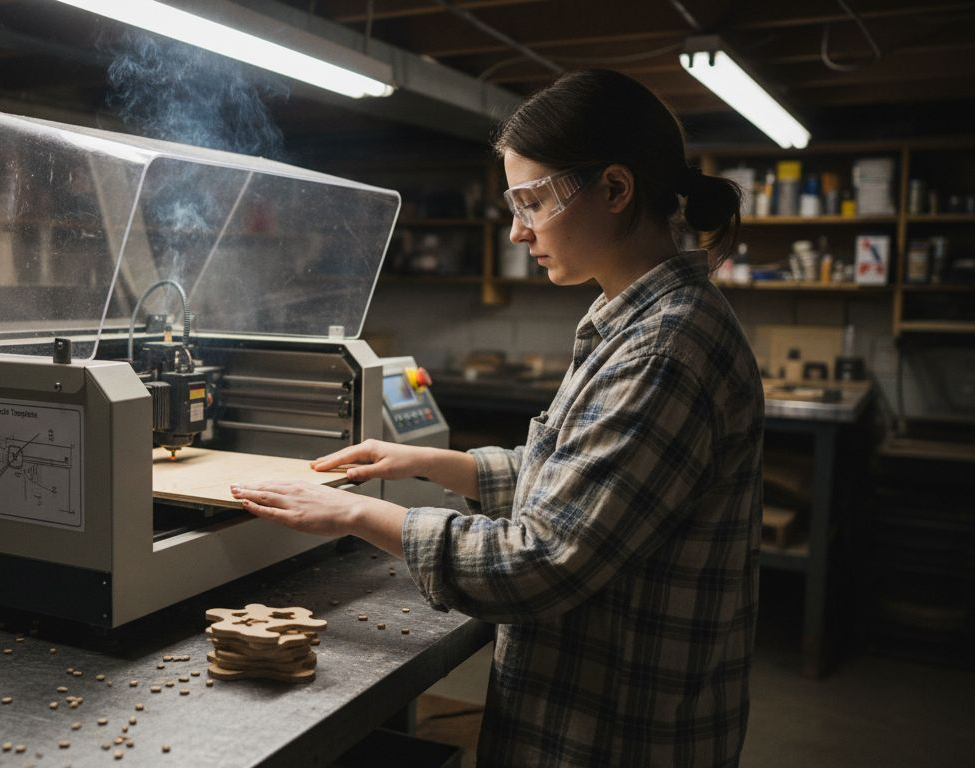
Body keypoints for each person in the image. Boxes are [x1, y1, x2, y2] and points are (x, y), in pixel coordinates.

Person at [230, 68, 763, 767]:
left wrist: (356, 516)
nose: (517, 231)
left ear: (613, 189)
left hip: (616, 733)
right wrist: (427, 462)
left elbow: (544, 562)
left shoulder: (666, 347)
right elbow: (577, 481)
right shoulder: (632, 320)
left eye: (532, 202)